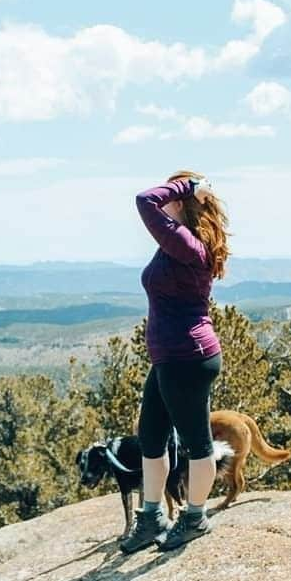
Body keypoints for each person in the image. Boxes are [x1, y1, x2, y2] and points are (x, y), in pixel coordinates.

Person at [120, 170, 231, 554]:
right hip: (170, 358)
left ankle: (195, 516)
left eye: (172, 192)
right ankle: (152, 517)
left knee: (197, 444)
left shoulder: (188, 244)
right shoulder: (175, 241)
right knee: (151, 436)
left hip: (187, 357)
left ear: (180, 200)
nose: (164, 197)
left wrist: (189, 185)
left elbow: (143, 199)